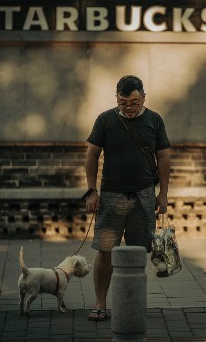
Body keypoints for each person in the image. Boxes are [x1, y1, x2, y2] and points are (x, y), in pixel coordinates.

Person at [83, 75, 171, 322]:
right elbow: (91, 156)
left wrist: (162, 193)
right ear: (117, 99)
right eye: (123, 102)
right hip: (111, 195)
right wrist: (92, 190)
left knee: (137, 252)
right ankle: (100, 303)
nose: (128, 107)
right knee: (105, 251)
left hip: (144, 195)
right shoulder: (106, 119)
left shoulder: (154, 120)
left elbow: (163, 157)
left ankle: (131, 304)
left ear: (143, 97)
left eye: (133, 102)